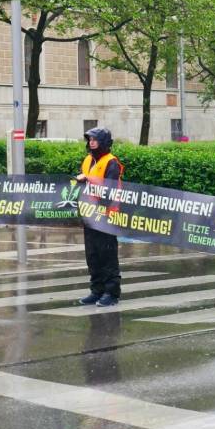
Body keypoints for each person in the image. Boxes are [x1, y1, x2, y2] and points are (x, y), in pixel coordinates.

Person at [76, 127, 124, 308]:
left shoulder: (111, 162)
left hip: (106, 215)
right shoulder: (88, 160)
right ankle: (96, 290)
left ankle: (111, 293)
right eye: (89, 139)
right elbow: (84, 184)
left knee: (107, 254)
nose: (91, 142)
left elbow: (109, 190)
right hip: (89, 215)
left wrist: (87, 180)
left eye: (94, 139)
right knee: (93, 254)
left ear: (103, 141)